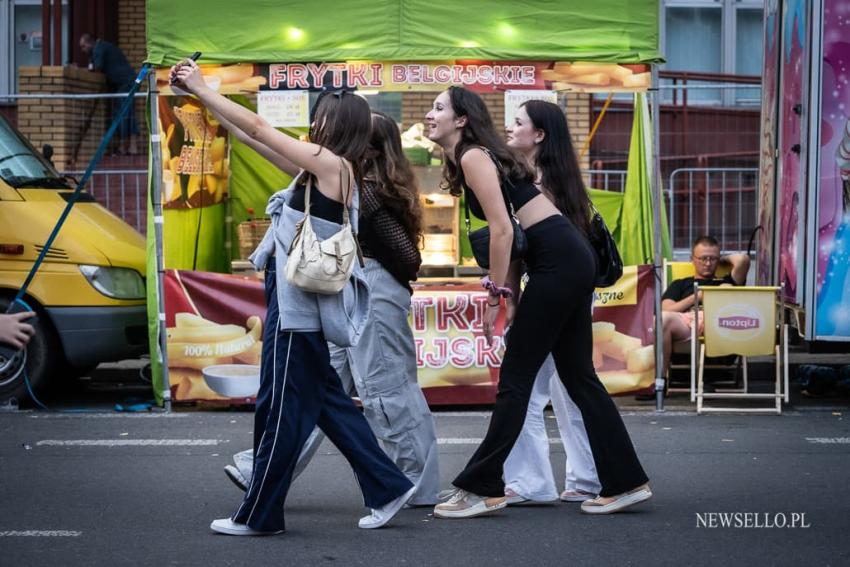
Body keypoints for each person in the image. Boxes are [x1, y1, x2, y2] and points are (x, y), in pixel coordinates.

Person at [170, 61, 414, 536]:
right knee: (326, 405)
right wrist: (205, 99)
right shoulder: (326, 168)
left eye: (320, 116)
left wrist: (201, 85)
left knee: (280, 410)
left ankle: (260, 515)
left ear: (334, 124)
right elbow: (256, 138)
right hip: (297, 305)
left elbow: (261, 126)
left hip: (298, 309)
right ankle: (386, 485)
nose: (313, 122)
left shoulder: (330, 165)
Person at [426, 86, 650, 519]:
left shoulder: (473, 156)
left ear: (461, 120)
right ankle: (626, 481)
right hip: (565, 264)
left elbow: (503, 233)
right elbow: (510, 236)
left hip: (559, 267)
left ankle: (482, 486)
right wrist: (509, 297)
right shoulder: (471, 159)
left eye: (439, 108)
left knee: (516, 379)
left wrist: (495, 293)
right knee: (578, 378)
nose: (430, 116)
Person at [224, 111, 440, 507]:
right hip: (350, 288)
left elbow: (407, 256)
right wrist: (220, 111)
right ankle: (266, 468)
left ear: (367, 146)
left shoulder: (365, 188)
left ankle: (414, 483)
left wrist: (374, 271)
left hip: (371, 290)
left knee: (386, 389)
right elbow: (267, 142)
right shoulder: (344, 177)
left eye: (349, 129)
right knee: (317, 388)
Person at [500, 100, 601, 505]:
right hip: (568, 293)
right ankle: (584, 479)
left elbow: (520, 248)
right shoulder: (564, 184)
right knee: (567, 387)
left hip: (546, 294)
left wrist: (511, 301)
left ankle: (531, 482)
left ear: (539, 135)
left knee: (526, 387)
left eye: (519, 122)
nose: (511, 127)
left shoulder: (537, 188)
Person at [660, 235, 750, 378]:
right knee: (661, 320)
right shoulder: (681, 284)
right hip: (686, 324)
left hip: (719, 323)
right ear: (692, 259)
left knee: (726, 294)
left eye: (713, 259)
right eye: (703, 258)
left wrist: (722, 261)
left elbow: (742, 260)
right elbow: (665, 310)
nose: (708, 263)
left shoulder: (727, 281)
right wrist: (698, 296)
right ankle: (660, 380)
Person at [79, 33, 139, 154]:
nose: (82, 50)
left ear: (90, 43)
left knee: (124, 113)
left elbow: (97, 67)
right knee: (125, 113)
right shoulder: (103, 46)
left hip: (125, 83)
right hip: (126, 81)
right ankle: (129, 147)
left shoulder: (99, 49)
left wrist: (80, 70)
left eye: (83, 46)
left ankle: (129, 147)